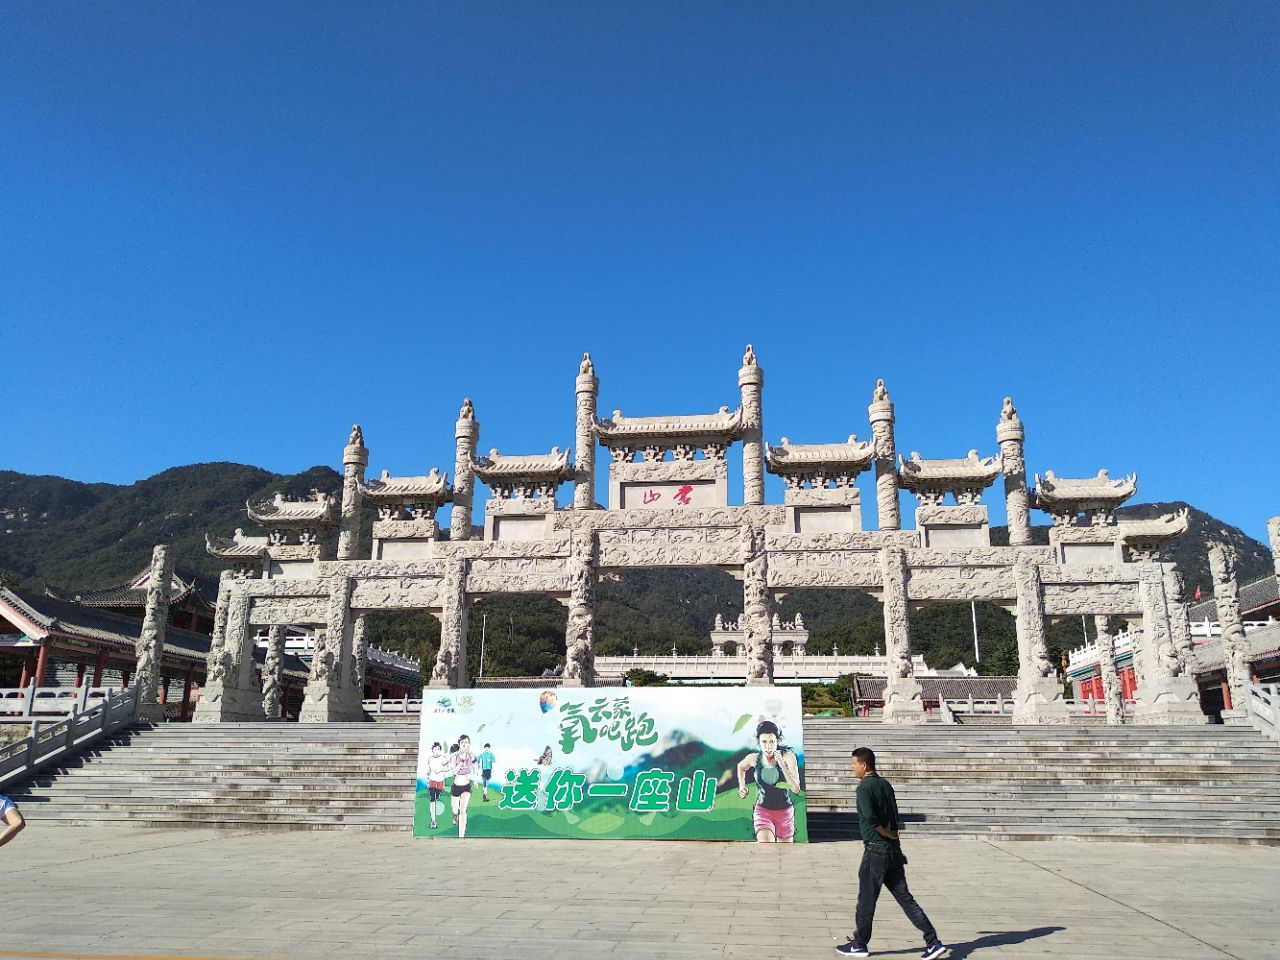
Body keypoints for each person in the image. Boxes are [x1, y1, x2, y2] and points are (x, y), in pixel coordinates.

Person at [836, 747, 945, 959]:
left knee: (867, 898)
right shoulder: (885, 785)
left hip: (876, 849)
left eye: (854, 764)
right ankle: (933, 941)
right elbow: (894, 814)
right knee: (905, 897)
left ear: (864, 765)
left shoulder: (864, 788)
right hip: (893, 850)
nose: (852, 768)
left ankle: (859, 944)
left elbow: (871, 819)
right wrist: (893, 835)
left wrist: (884, 833)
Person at [735, 720, 802, 842]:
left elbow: (796, 789)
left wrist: (782, 765)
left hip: (785, 812)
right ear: (759, 743)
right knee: (766, 849)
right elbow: (741, 767)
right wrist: (742, 786)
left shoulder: (788, 757)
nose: (768, 746)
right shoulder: (754, 758)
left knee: (785, 853)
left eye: (772, 741)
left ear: (777, 741)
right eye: (764, 742)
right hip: (763, 810)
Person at [451, 734, 478, 837]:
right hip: (456, 786)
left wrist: (475, 780)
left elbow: (475, 766)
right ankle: (454, 815)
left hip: (466, 786)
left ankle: (461, 835)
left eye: (466, 742)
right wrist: (461, 762)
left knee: (463, 811)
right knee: (455, 809)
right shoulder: (455, 757)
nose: (464, 744)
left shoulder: (472, 756)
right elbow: (454, 771)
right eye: (462, 742)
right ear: (459, 744)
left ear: (469, 744)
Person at [425, 741, 450, 829]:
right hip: (432, 780)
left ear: (440, 750)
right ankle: (433, 821)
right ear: (432, 750)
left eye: (438, 749)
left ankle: (435, 811)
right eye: (434, 749)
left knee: (436, 798)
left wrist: (441, 770)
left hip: (440, 781)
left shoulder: (443, 758)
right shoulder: (430, 759)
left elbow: (448, 768)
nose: (436, 751)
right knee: (432, 799)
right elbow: (429, 769)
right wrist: (428, 772)